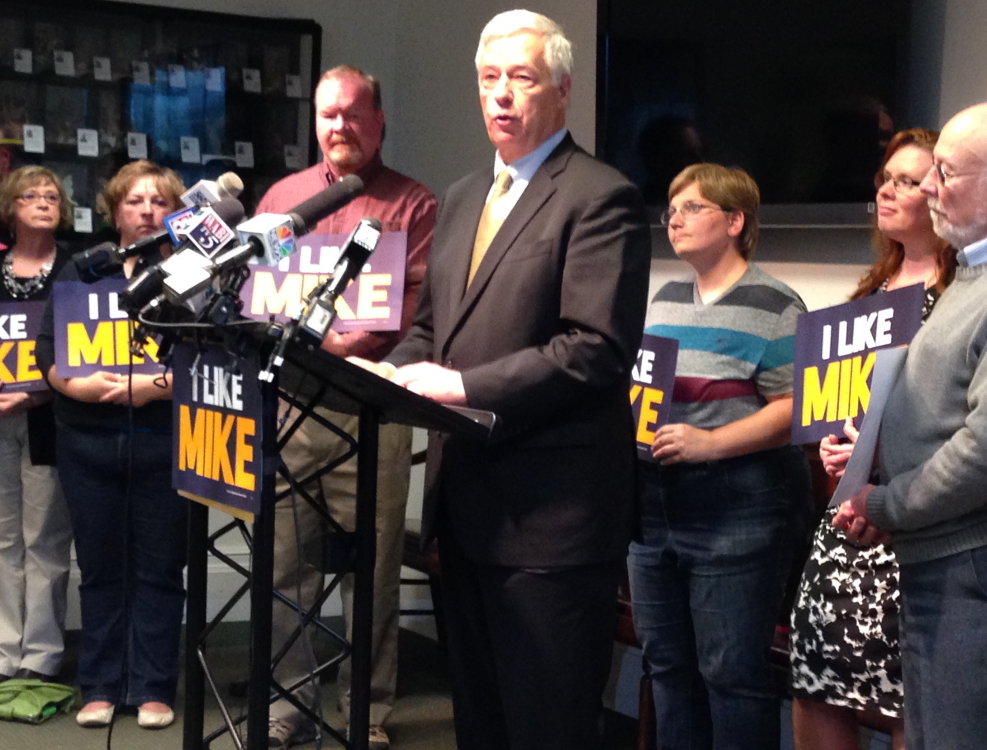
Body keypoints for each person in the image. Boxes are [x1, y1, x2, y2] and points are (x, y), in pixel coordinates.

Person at [362, 11, 650, 750]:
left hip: (551, 523)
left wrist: (461, 387)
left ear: (561, 90)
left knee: (546, 727)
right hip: (467, 513)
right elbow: (433, 330)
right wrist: (380, 374)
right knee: (481, 725)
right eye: (489, 80)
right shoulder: (461, 198)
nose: (501, 96)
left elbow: (595, 349)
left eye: (520, 78)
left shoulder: (600, 196)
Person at [256, 65, 436, 750]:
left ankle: (369, 707)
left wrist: (329, 345)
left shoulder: (412, 205)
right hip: (293, 408)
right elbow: (262, 293)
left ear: (378, 121)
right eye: (329, 115)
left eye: (354, 115)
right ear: (316, 122)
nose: (340, 127)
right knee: (284, 568)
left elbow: (414, 308)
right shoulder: (283, 197)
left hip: (371, 409)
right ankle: (288, 705)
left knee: (375, 570)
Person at [628, 163, 811, 750]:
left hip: (737, 510)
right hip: (654, 507)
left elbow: (795, 409)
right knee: (669, 670)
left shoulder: (777, 303)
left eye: (692, 208)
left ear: (735, 220)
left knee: (730, 677)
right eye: (672, 209)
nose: (675, 219)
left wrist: (710, 443)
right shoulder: (666, 296)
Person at [790, 128, 954, 750]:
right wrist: (834, 446)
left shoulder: (961, 296)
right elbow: (839, 404)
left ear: (938, 192)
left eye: (906, 180)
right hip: (842, 529)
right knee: (816, 683)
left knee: (911, 700)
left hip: (911, 529)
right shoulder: (869, 292)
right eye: (884, 179)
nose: (888, 190)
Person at [833, 102, 987, 750]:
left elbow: (981, 449)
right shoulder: (970, 274)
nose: (927, 189)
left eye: (944, 174)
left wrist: (887, 502)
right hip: (932, 551)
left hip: (965, 564)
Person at [35, 160, 186, 729]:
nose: (148, 210)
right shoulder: (82, 268)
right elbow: (47, 347)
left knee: (159, 569)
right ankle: (98, 685)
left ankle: (151, 687)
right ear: (114, 209)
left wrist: (155, 387)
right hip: (86, 442)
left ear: (175, 213)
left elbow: (210, 357)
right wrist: (72, 383)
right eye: (135, 201)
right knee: (99, 569)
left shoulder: (191, 275)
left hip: (164, 441)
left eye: (160, 202)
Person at [0, 166, 74, 685]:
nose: (44, 202)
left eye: (52, 195)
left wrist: (36, 392)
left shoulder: (75, 272)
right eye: (31, 195)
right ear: (9, 206)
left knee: (45, 539)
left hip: (51, 421)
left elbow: (83, 348)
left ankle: (39, 655)